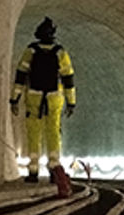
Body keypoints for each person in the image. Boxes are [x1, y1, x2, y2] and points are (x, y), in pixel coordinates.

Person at [10, 16, 76, 182]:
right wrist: (71, 102)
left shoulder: (30, 50)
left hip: (34, 95)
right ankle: (54, 167)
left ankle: (33, 170)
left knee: (34, 131)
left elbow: (21, 75)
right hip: (54, 97)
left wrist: (14, 99)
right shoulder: (60, 52)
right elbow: (68, 77)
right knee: (53, 131)